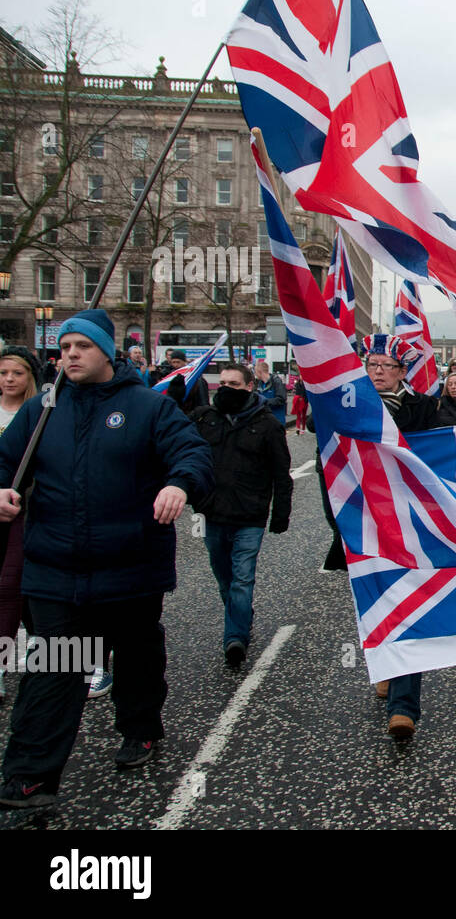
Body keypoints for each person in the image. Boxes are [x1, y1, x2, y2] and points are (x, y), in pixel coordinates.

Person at [0, 310, 212, 808]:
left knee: (137, 655)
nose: (70, 354)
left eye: (82, 346)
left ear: (106, 353)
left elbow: (192, 454)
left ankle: (140, 728)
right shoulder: (43, 410)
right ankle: (29, 777)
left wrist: (179, 483)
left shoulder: (147, 406)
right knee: (55, 667)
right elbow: (6, 458)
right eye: (65, 346)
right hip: (56, 569)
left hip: (131, 567)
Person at [356, 334, 440, 738]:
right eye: (371, 365)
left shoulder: (423, 408)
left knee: (408, 605)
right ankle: (384, 665)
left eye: (385, 366)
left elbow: (443, 453)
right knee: (375, 601)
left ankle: (403, 705)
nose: (376, 372)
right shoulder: (349, 406)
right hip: (363, 521)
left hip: (409, 520)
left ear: (403, 372)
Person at [190, 362, 292, 668]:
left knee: (242, 578)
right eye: (221, 383)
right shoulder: (204, 419)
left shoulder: (268, 425)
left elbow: (281, 474)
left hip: (250, 515)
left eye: (233, 384)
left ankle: (235, 638)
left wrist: (280, 515)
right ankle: (241, 615)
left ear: (249, 387)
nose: (225, 389)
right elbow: (178, 445)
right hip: (212, 513)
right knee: (224, 578)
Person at [0, 347, 39, 703]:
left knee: (13, 584)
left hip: (26, 510)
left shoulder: (40, 413)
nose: (9, 380)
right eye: (3, 373)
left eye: (17, 373)